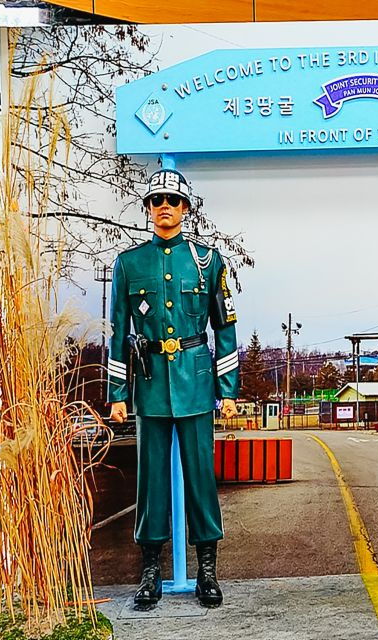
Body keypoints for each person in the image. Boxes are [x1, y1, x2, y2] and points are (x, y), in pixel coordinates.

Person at [107, 168, 239, 609]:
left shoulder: (208, 261)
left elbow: (224, 328)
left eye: (173, 200)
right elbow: (118, 333)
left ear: (186, 208)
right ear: (148, 208)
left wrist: (228, 389)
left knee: (201, 478)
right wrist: (118, 394)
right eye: (157, 200)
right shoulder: (129, 264)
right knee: (151, 483)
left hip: (196, 382)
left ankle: (207, 570)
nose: (164, 206)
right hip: (149, 386)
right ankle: (150, 572)